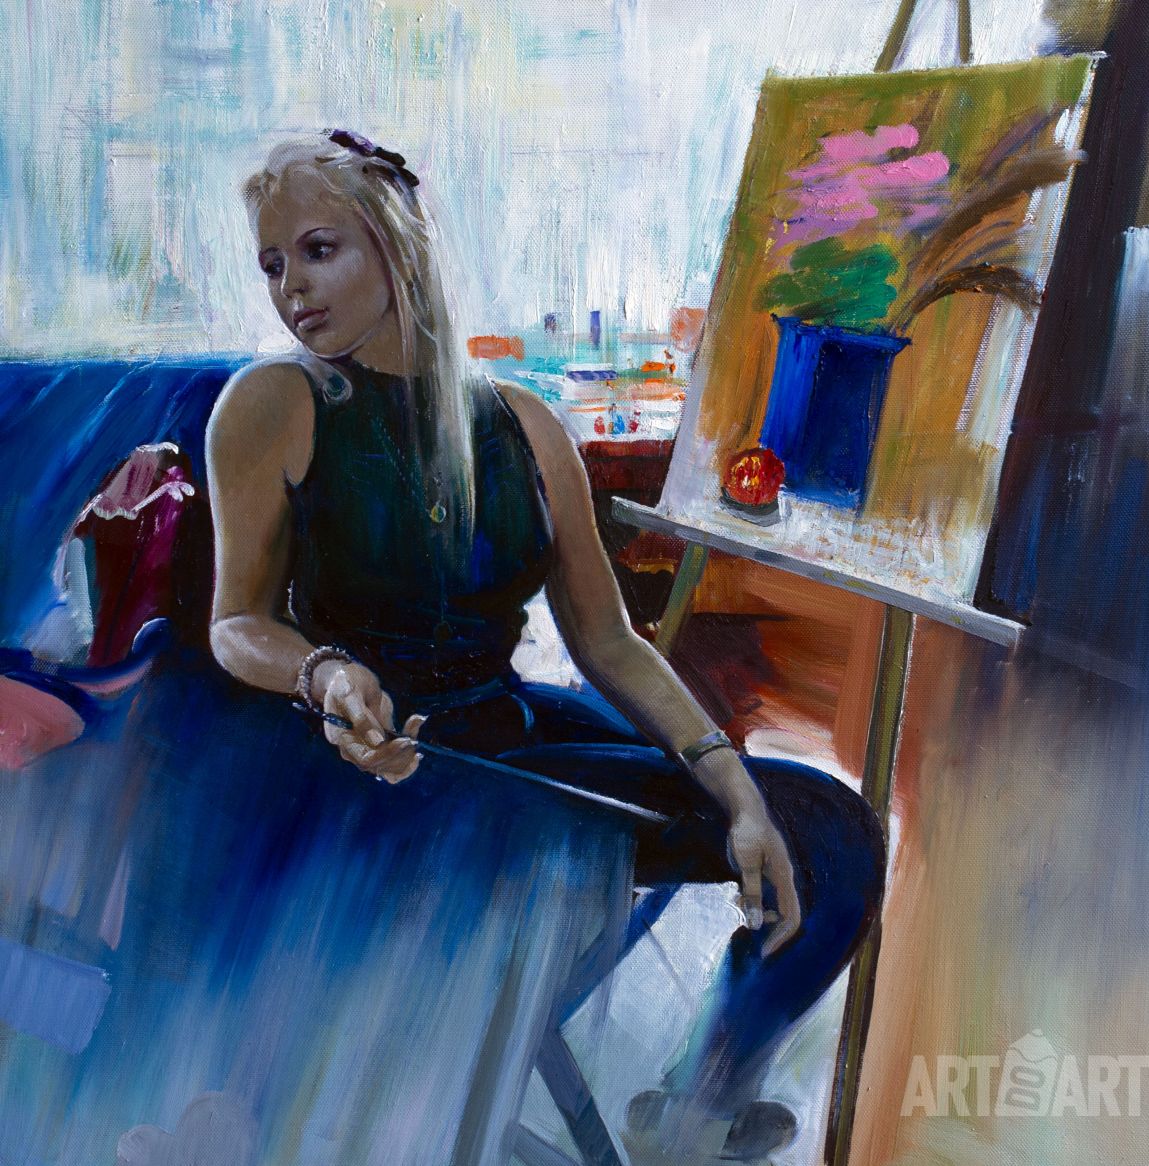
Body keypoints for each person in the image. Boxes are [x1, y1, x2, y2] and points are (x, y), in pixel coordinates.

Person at [203, 131, 885, 1163]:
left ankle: (696, 1107)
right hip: (380, 771)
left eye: (317, 250)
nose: (290, 287)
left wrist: (735, 788)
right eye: (271, 264)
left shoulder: (523, 424)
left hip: (509, 735)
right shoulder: (275, 404)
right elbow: (234, 621)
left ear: (398, 245)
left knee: (830, 831)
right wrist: (326, 670)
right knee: (707, 829)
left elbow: (607, 639)